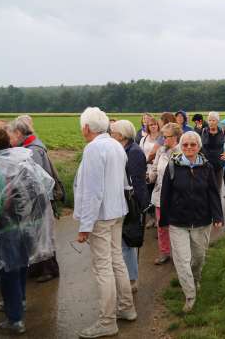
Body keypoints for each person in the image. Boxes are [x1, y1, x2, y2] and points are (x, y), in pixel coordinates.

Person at [74, 108, 137, 338]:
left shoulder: (93, 148)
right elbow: (122, 182)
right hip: (117, 210)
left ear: (86, 128)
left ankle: (107, 321)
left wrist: (84, 226)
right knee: (116, 260)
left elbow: (92, 191)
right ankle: (126, 308)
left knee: (103, 268)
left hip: (101, 215)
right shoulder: (115, 145)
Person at [0, 128, 55, 335]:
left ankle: (15, 319)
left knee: (8, 270)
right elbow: (44, 185)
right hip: (29, 223)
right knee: (20, 264)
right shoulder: (21, 158)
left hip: (8, 226)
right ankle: (18, 301)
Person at [159, 131, 224, 313]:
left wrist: (218, 216)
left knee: (198, 258)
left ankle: (196, 278)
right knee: (182, 260)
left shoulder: (207, 167)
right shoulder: (173, 166)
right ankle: (190, 295)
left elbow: (213, 192)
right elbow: (166, 194)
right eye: (185, 144)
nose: (189, 147)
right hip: (177, 222)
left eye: (192, 145)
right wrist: (163, 219)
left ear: (198, 146)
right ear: (181, 146)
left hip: (202, 221)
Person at [6, 116, 60, 283]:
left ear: (18, 133)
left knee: (43, 235)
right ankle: (37, 267)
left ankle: (50, 269)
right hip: (35, 199)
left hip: (38, 199)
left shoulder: (33, 150)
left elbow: (35, 179)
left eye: (11, 135)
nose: (9, 139)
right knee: (35, 235)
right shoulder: (29, 146)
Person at [110, 120, 148, 294]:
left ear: (122, 135)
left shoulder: (133, 152)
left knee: (128, 242)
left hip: (131, 203)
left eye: (113, 132)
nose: (111, 135)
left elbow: (137, 182)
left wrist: (139, 206)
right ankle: (126, 276)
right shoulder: (124, 149)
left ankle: (132, 279)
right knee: (124, 242)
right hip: (124, 201)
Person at [149, 123, 182, 265]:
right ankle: (164, 252)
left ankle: (180, 255)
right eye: (163, 137)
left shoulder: (182, 151)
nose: (163, 140)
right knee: (162, 226)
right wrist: (149, 176)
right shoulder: (161, 151)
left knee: (177, 227)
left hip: (176, 197)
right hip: (159, 195)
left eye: (166, 137)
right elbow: (155, 169)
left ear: (175, 137)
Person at [200, 112, 225, 195]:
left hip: (218, 163)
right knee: (206, 187)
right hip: (206, 163)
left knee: (217, 188)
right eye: (209, 120)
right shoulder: (203, 131)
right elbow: (198, 145)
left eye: (213, 120)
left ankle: (216, 205)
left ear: (217, 121)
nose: (211, 122)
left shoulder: (223, 132)